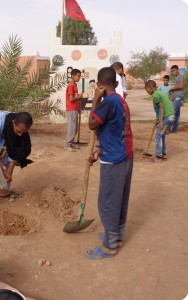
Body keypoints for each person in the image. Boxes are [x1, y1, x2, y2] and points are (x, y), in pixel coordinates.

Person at [85, 67, 133, 260]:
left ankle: (109, 246)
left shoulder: (108, 102)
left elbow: (91, 124)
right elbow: (114, 130)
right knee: (119, 199)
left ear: (101, 85)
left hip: (114, 160)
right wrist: (98, 150)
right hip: (124, 155)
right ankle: (117, 236)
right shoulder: (121, 100)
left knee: (108, 202)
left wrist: (96, 99)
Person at [145, 80, 175, 162]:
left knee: (158, 135)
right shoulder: (159, 93)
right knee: (162, 135)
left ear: (151, 88)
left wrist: (161, 121)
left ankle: (158, 157)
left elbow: (161, 107)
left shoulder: (155, 95)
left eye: (147, 89)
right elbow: (159, 109)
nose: (146, 92)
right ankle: (163, 154)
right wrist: (158, 119)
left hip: (167, 116)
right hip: (170, 116)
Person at [65, 68, 83, 152]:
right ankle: (68, 144)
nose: (79, 78)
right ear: (72, 76)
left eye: (79, 76)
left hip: (75, 108)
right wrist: (78, 97)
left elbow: (75, 97)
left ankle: (71, 143)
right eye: (78, 76)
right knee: (72, 127)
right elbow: (71, 98)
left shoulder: (75, 85)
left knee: (75, 128)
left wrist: (79, 98)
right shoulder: (71, 86)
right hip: (71, 109)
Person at [168, 65, 186, 133]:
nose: (173, 72)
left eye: (174, 71)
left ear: (177, 70)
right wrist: (172, 90)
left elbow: (181, 86)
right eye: (172, 71)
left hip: (179, 97)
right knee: (177, 114)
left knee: (172, 112)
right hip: (175, 97)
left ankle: (168, 128)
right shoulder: (176, 78)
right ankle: (175, 129)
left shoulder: (180, 76)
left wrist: (172, 88)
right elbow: (177, 87)